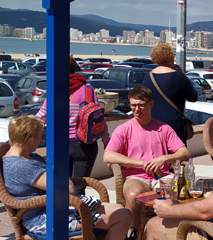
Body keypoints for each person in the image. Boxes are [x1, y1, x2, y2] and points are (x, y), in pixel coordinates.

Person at [2, 115, 131, 240]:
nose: (40, 140)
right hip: (45, 219)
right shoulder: (22, 166)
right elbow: (68, 188)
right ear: (32, 139)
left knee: (121, 212)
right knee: (122, 216)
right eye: (39, 136)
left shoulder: (24, 157)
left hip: (55, 208)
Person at [103, 86, 190, 226]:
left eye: (141, 105)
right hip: (136, 176)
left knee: (174, 195)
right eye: (133, 105)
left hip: (162, 176)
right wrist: (142, 163)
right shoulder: (123, 129)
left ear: (151, 104)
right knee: (133, 195)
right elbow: (108, 156)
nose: (136, 109)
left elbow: (184, 153)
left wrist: (163, 158)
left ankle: (168, 233)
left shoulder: (164, 128)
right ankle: (134, 235)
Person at [36, 56, 111, 196]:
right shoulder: (87, 90)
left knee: (62, 186)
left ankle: (65, 216)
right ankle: (78, 216)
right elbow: (98, 118)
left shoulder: (55, 90)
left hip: (59, 144)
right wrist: (106, 140)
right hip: (84, 145)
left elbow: (40, 117)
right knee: (78, 189)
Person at [142, 43, 198, 144]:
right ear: (170, 57)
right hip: (174, 124)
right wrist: (185, 77)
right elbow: (193, 97)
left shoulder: (148, 76)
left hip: (153, 123)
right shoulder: (178, 76)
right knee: (177, 155)